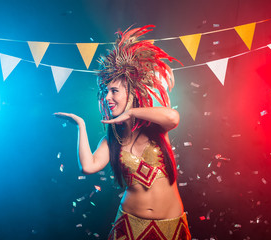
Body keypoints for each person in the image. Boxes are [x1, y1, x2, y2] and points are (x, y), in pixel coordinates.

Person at [55, 25, 191, 240]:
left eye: (114, 91)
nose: (108, 97)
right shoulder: (111, 140)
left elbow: (173, 117)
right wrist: (81, 125)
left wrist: (131, 113)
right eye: (106, 92)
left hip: (171, 227)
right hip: (129, 225)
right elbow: (88, 166)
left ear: (131, 93)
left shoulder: (154, 127)